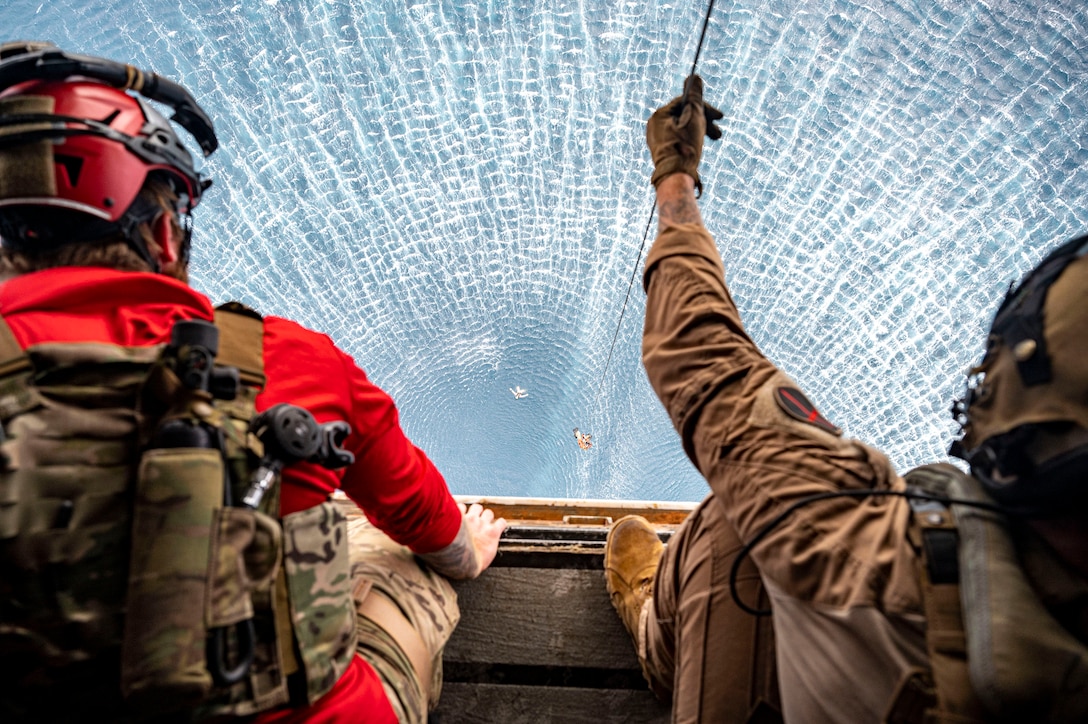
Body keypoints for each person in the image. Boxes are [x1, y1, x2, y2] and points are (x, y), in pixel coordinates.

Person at [0, 42, 505, 723]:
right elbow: (417, 511)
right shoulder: (287, 359)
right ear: (167, 238)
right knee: (387, 550)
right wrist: (465, 553)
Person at [604, 74, 1088, 723]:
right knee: (753, 515)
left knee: (741, 518)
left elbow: (700, 354)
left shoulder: (866, 551)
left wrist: (675, 174)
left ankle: (651, 629)